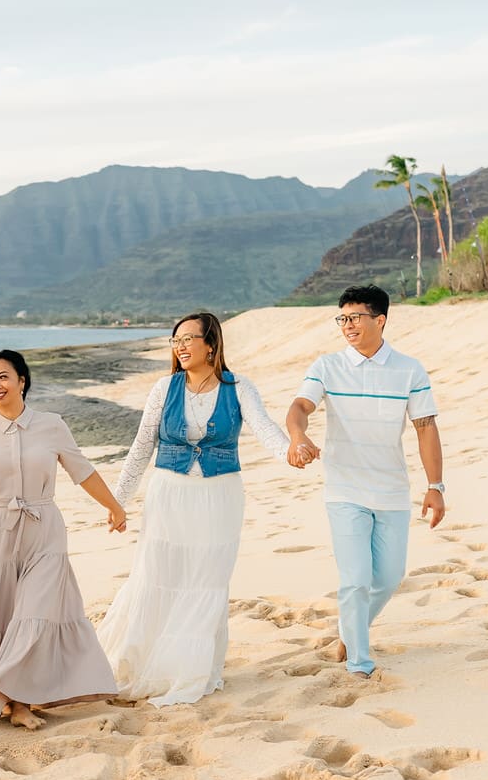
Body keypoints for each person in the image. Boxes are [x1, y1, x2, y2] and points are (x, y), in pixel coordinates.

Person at [98, 311, 289, 706]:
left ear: (211, 344)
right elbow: (141, 446)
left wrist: (291, 452)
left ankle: (188, 667)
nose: (181, 346)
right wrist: (118, 501)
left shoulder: (238, 387)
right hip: (169, 493)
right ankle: (146, 661)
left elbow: (265, 427)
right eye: (175, 340)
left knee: (206, 579)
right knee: (159, 573)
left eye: (188, 338)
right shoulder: (163, 388)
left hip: (219, 496)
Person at [0, 350, 124, 730]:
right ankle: (14, 703)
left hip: (44, 530)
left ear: (22, 381)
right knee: (1, 618)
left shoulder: (51, 425)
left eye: (3, 377)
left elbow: (82, 470)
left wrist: (114, 507)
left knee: (34, 614)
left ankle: (19, 700)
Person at [285, 285, 446, 676]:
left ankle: (349, 628)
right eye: (342, 318)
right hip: (344, 491)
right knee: (356, 579)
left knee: (388, 579)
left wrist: (435, 486)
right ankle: (359, 660)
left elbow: (426, 428)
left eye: (355, 317)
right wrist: (297, 435)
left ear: (380, 320)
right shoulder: (327, 366)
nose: (347, 325)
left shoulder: (410, 369)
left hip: (391, 490)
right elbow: (300, 407)